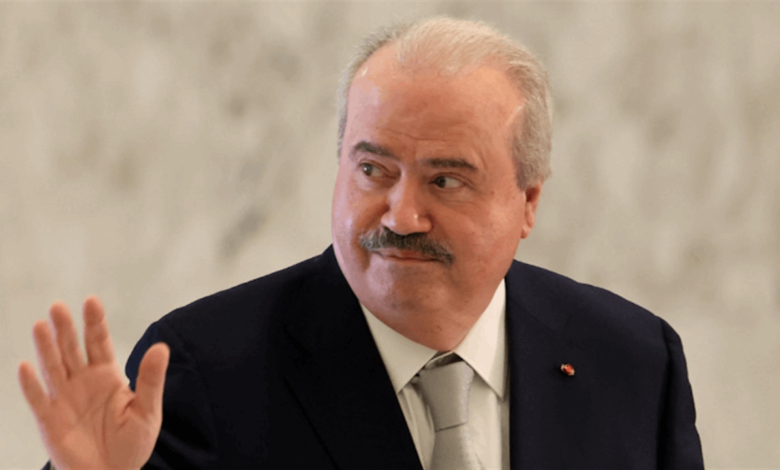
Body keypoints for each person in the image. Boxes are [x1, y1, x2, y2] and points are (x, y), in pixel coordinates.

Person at [18, 16, 704, 470]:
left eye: (445, 180)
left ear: (527, 201)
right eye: (373, 171)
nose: (402, 216)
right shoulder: (206, 371)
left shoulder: (635, 362)